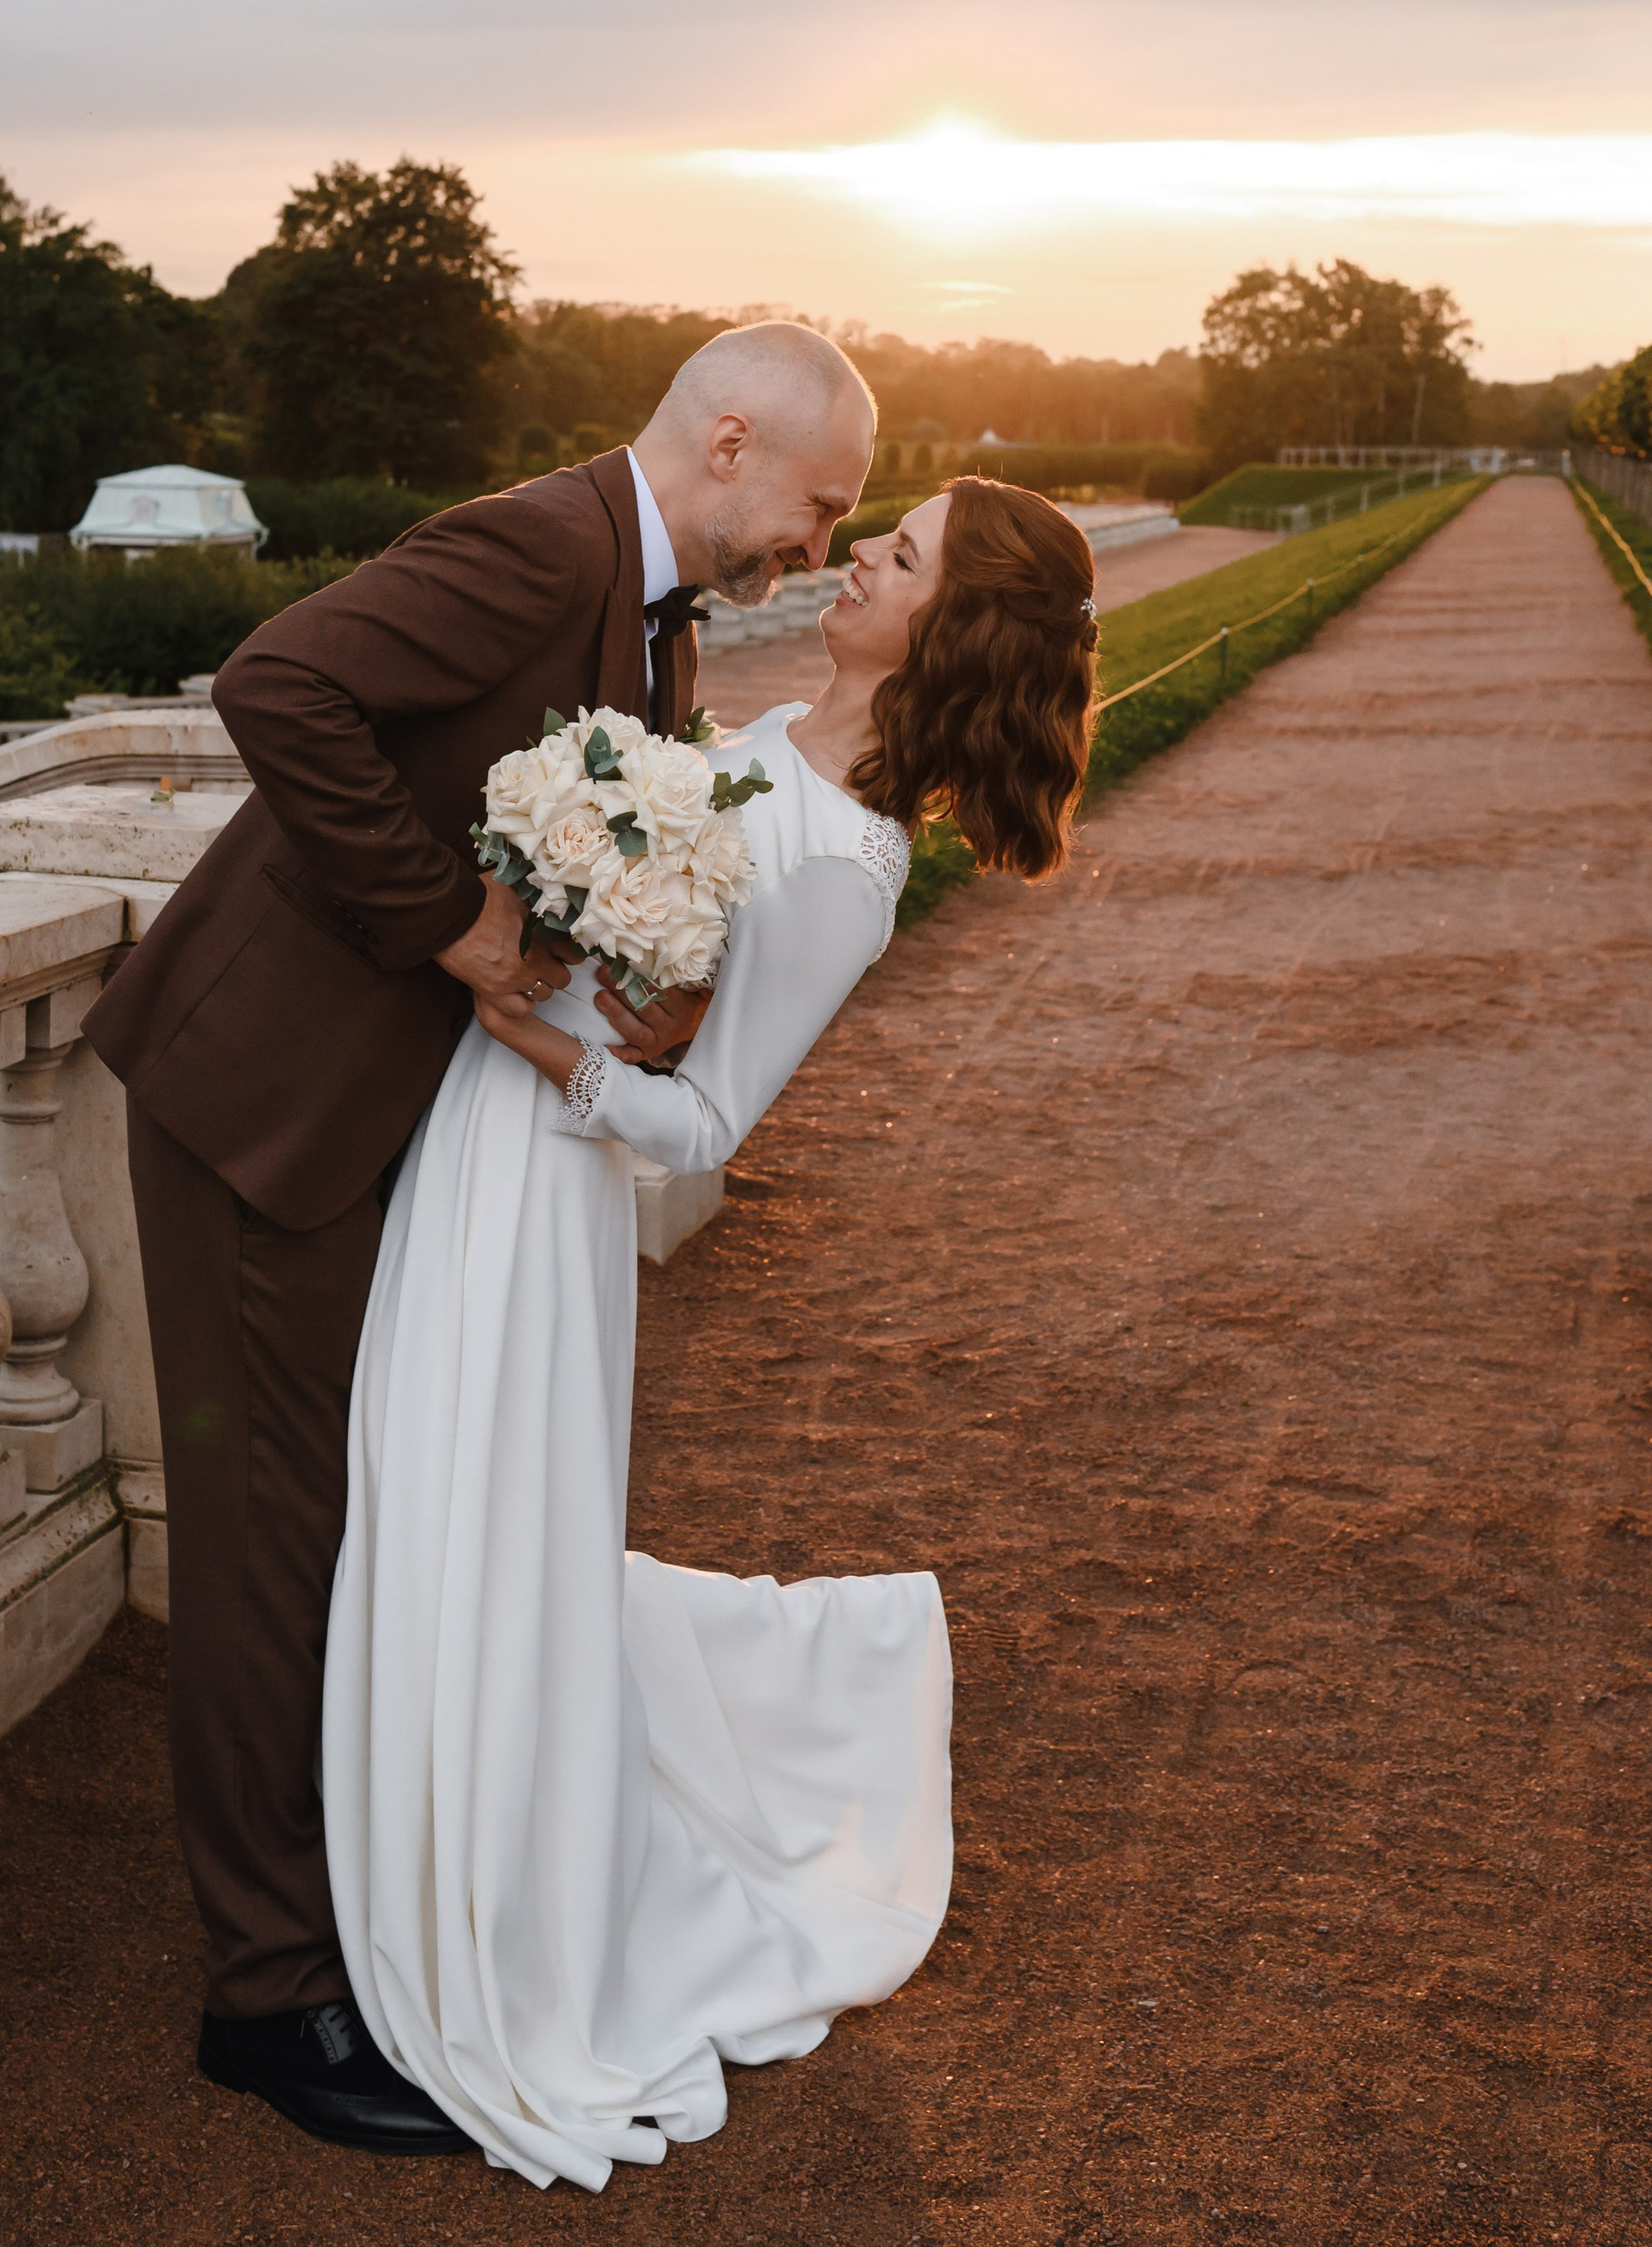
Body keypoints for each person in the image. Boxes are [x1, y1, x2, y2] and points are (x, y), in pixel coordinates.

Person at [82, 321, 878, 2156]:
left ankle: (352, 1917)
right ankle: (267, 2000)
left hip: (379, 1124)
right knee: (271, 1548)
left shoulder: (660, 614)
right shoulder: (540, 543)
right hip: (258, 1107)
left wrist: (629, 976)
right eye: (820, 505)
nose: (818, 544)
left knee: (344, 1527)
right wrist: (449, 922)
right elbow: (276, 682)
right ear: (731, 441)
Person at [322, 474, 1099, 2187]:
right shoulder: (768, 733)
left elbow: (704, 1123)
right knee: (424, 1491)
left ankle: (499, 1891)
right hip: (475, 1129)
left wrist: (538, 1037)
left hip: (544, 1170)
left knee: (471, 1506)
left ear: (952, 628)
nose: (860, 557)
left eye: (901, 555)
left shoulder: (849, 862)